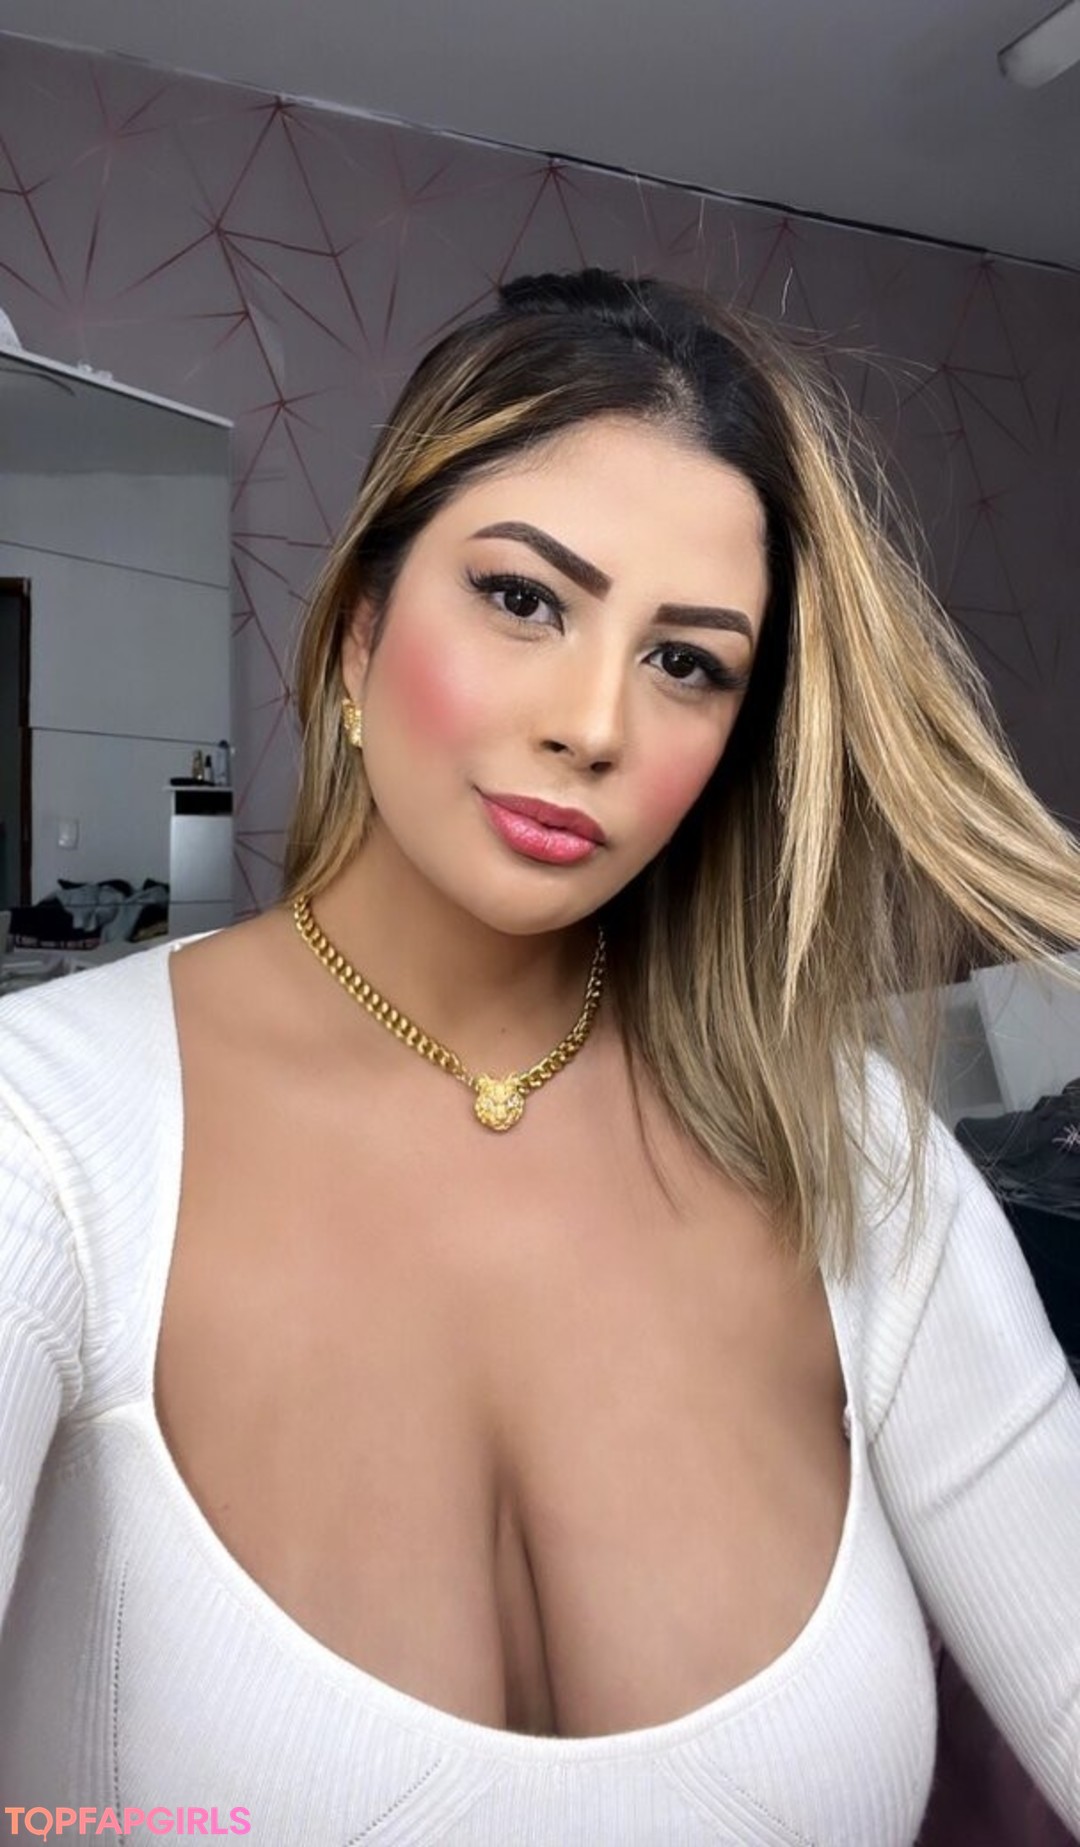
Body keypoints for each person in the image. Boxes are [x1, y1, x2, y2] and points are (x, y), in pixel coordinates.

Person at [1, 267, 1078, 1845]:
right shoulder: (42, 1138)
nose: (594, 722)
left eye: (686, 661)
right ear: (359, 635)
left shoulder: (854, 1154)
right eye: (523, 599)